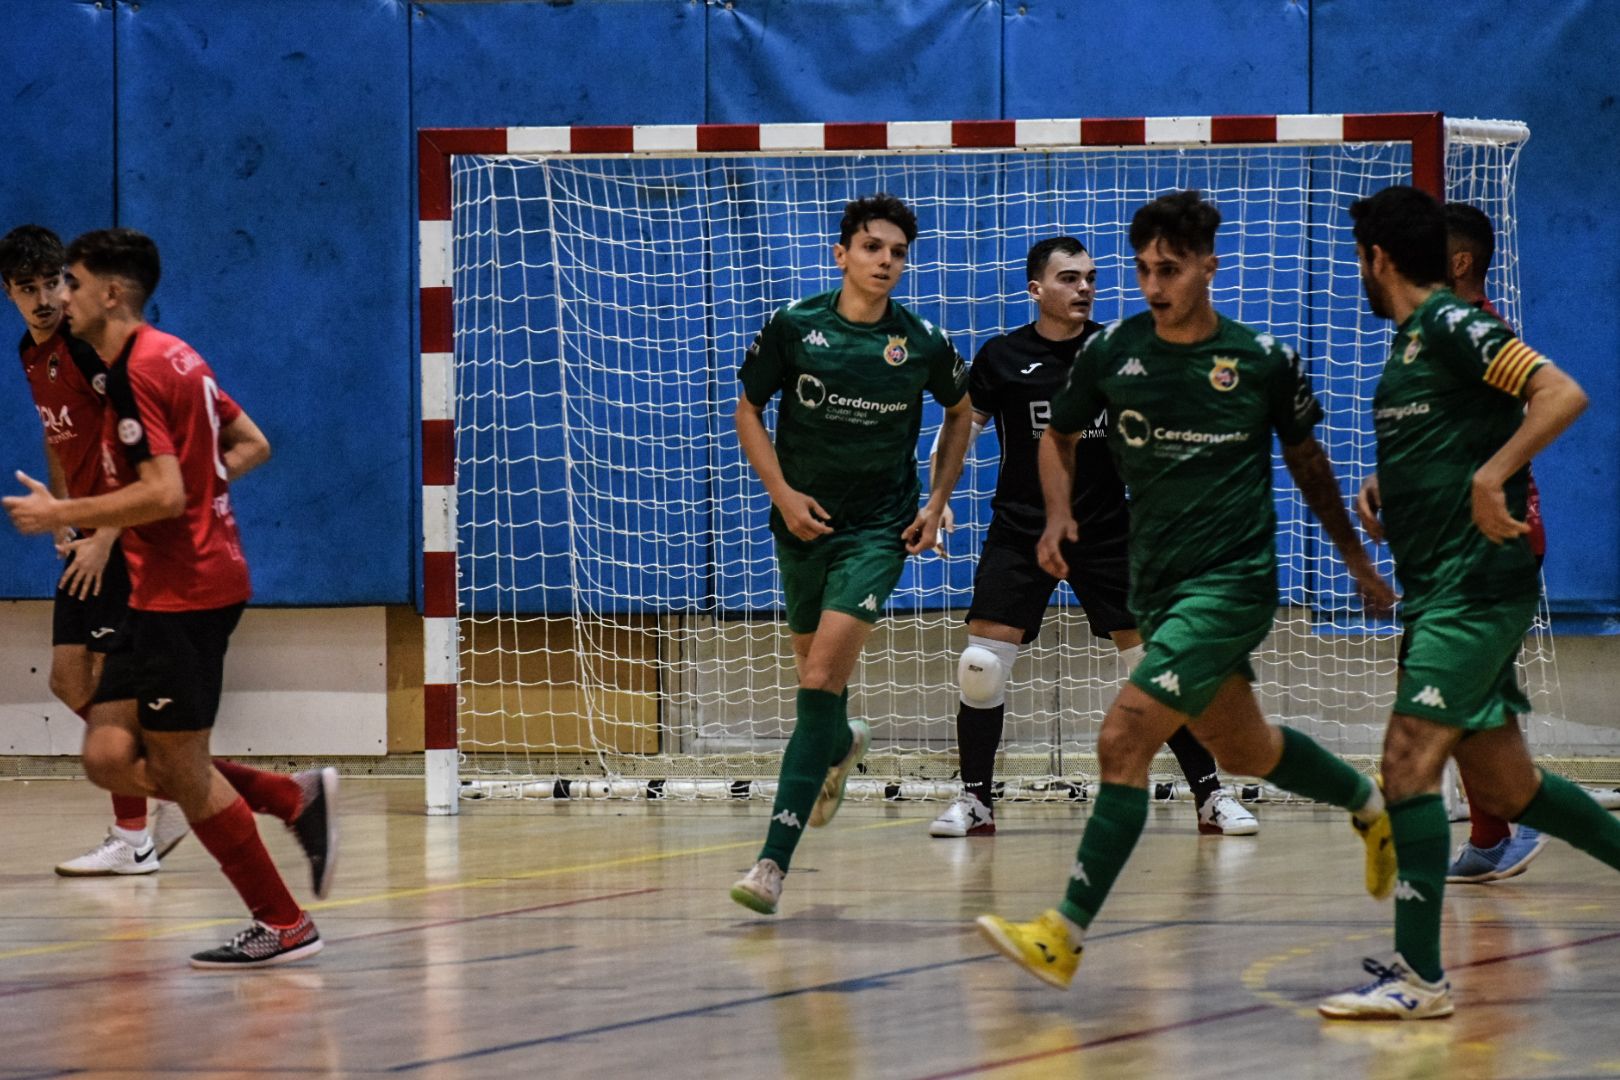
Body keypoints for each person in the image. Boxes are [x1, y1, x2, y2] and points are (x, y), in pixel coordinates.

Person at [973, 190, 1398, 990]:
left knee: (1122, 739)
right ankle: (1367, 803)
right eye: (1142, 270)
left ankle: (1063, 932)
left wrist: (1354, 558)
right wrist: (1057, 514)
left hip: (1232, 584)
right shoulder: (1113, 355)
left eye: (1168, 269)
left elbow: (1309, 465)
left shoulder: (1260, 358)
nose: (1152, 285)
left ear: (1208, 264)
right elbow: (1057, 436)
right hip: (1157, 583)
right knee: (1244, 746)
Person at [1318, 185, 1616, 1020]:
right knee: (1511, 788)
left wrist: (1493, 477)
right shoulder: (1413, 342)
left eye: (1360, 262)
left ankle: (1419, 979)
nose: (1361, 276)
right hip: (1439, 589)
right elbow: (1453, 434)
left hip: (1473, 591)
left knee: (1408, 763)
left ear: (1378, 259)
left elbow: (1561, 393)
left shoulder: (1453, 323)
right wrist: (1397, 485)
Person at [4, 228, 337, 969]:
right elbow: (231, 449)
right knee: (110, 751)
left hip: (179, 586)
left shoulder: (130, 370)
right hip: (163, 579)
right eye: (38, 285)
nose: (61, 296)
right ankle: (286, 799)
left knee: (180, 769)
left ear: (108, 293)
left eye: (72, 282)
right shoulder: (168, 353)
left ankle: (282, 916)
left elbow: (168, 488)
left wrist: (78, 521)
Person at [928, 236, 1256, 840]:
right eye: (1069, 278)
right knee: (981, 665)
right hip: (1022, 528)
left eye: (1090, 278)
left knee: (1155, 664)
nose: (1083, 288)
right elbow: (960, 429)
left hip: (1109, 531)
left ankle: (1210, 796)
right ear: (1037, 290)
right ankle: (975, 801)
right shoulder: (1002, 357)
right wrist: (937, 500)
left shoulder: (1119, 351)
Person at [729, 194, 974, 914]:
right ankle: (843, 742)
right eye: (873, 248)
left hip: (879, 531)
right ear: (842, 255)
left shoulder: (921, 341)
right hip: (803, 525)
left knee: (820, 677)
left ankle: (771, 865)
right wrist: (781, 494)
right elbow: (748, 407)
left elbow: (960, 413)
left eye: (898, 253)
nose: (886, 262)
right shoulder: (796, 327)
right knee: (817, 680)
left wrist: (934, 502)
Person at [0, 224, 189, 875]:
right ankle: (166, 790)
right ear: (11, 295)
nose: (45, 298)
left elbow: (129, 443)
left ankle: (137, 829)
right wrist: (62, 517)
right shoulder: (31, 351)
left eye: (53, 283)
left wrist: (106, 535)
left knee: (106, 687)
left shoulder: (86, 353)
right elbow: (58, 437)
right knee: (66, 678)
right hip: (84, 532)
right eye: (28, 289)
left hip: (122, 537)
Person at [1437, 203, 1548, 884]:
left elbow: (1558, 397)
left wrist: (1492, 477)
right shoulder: (1438, 336)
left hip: (1497, 542)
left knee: (1442, 699)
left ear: (1459, 262)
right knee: (1469, 705)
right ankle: (1489, 836)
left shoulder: (1482, 333)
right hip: (1454, 546)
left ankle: (1520, 821)